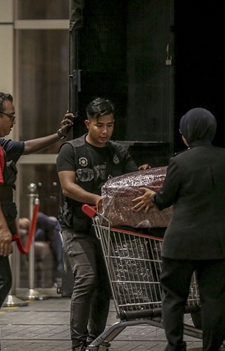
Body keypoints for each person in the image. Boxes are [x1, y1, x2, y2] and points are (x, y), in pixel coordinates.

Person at [0, 92, 73, 310]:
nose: (13, 122)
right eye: (11, 116)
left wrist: (59, 134)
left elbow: (25, 147)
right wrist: (2, 229)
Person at [133, 108, 225, 351]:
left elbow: (164, 199)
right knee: (213, 300)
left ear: (187, 135)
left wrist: (154, 196)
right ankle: (211, 348)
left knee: (173, 298)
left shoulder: (179, 162)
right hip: (219, 241)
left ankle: (175, 347)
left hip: (182, 242)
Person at [56, 97, 149, 351]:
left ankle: (96, 341)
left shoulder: (118, 152)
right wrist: (98, 199)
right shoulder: (71, 150)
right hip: (77, 228)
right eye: (99, 125)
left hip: (107, 230)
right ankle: (78, 343)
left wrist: (143, 175)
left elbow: (132, 182)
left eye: (110, 125)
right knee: (86, 278)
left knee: (104, 286)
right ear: (88, 123)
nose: (105, 130)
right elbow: (67, 187)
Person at [18, 212, 64, 285]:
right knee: (40, 217)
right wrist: (18, 221)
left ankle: (60, 267)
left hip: (32, 232)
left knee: (53, 229)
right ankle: (60, 266)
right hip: (24, 231)